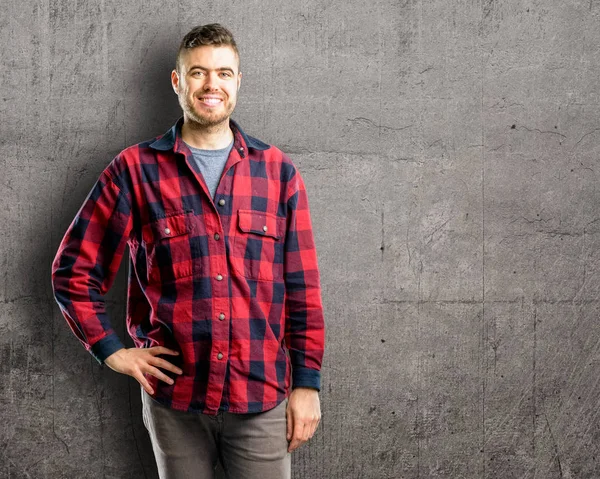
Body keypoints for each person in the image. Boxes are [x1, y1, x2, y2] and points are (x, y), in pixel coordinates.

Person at [51, 23, 325, 479]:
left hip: (261, 396)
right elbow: (73, 272)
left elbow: (303, 291)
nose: (211, 84)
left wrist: (308, 384)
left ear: (238, 81)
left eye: (223, 72)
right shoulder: (134, 171)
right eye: (198, 73)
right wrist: (112, 351)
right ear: (178, 82)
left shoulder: (278, 173)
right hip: (174, 401)